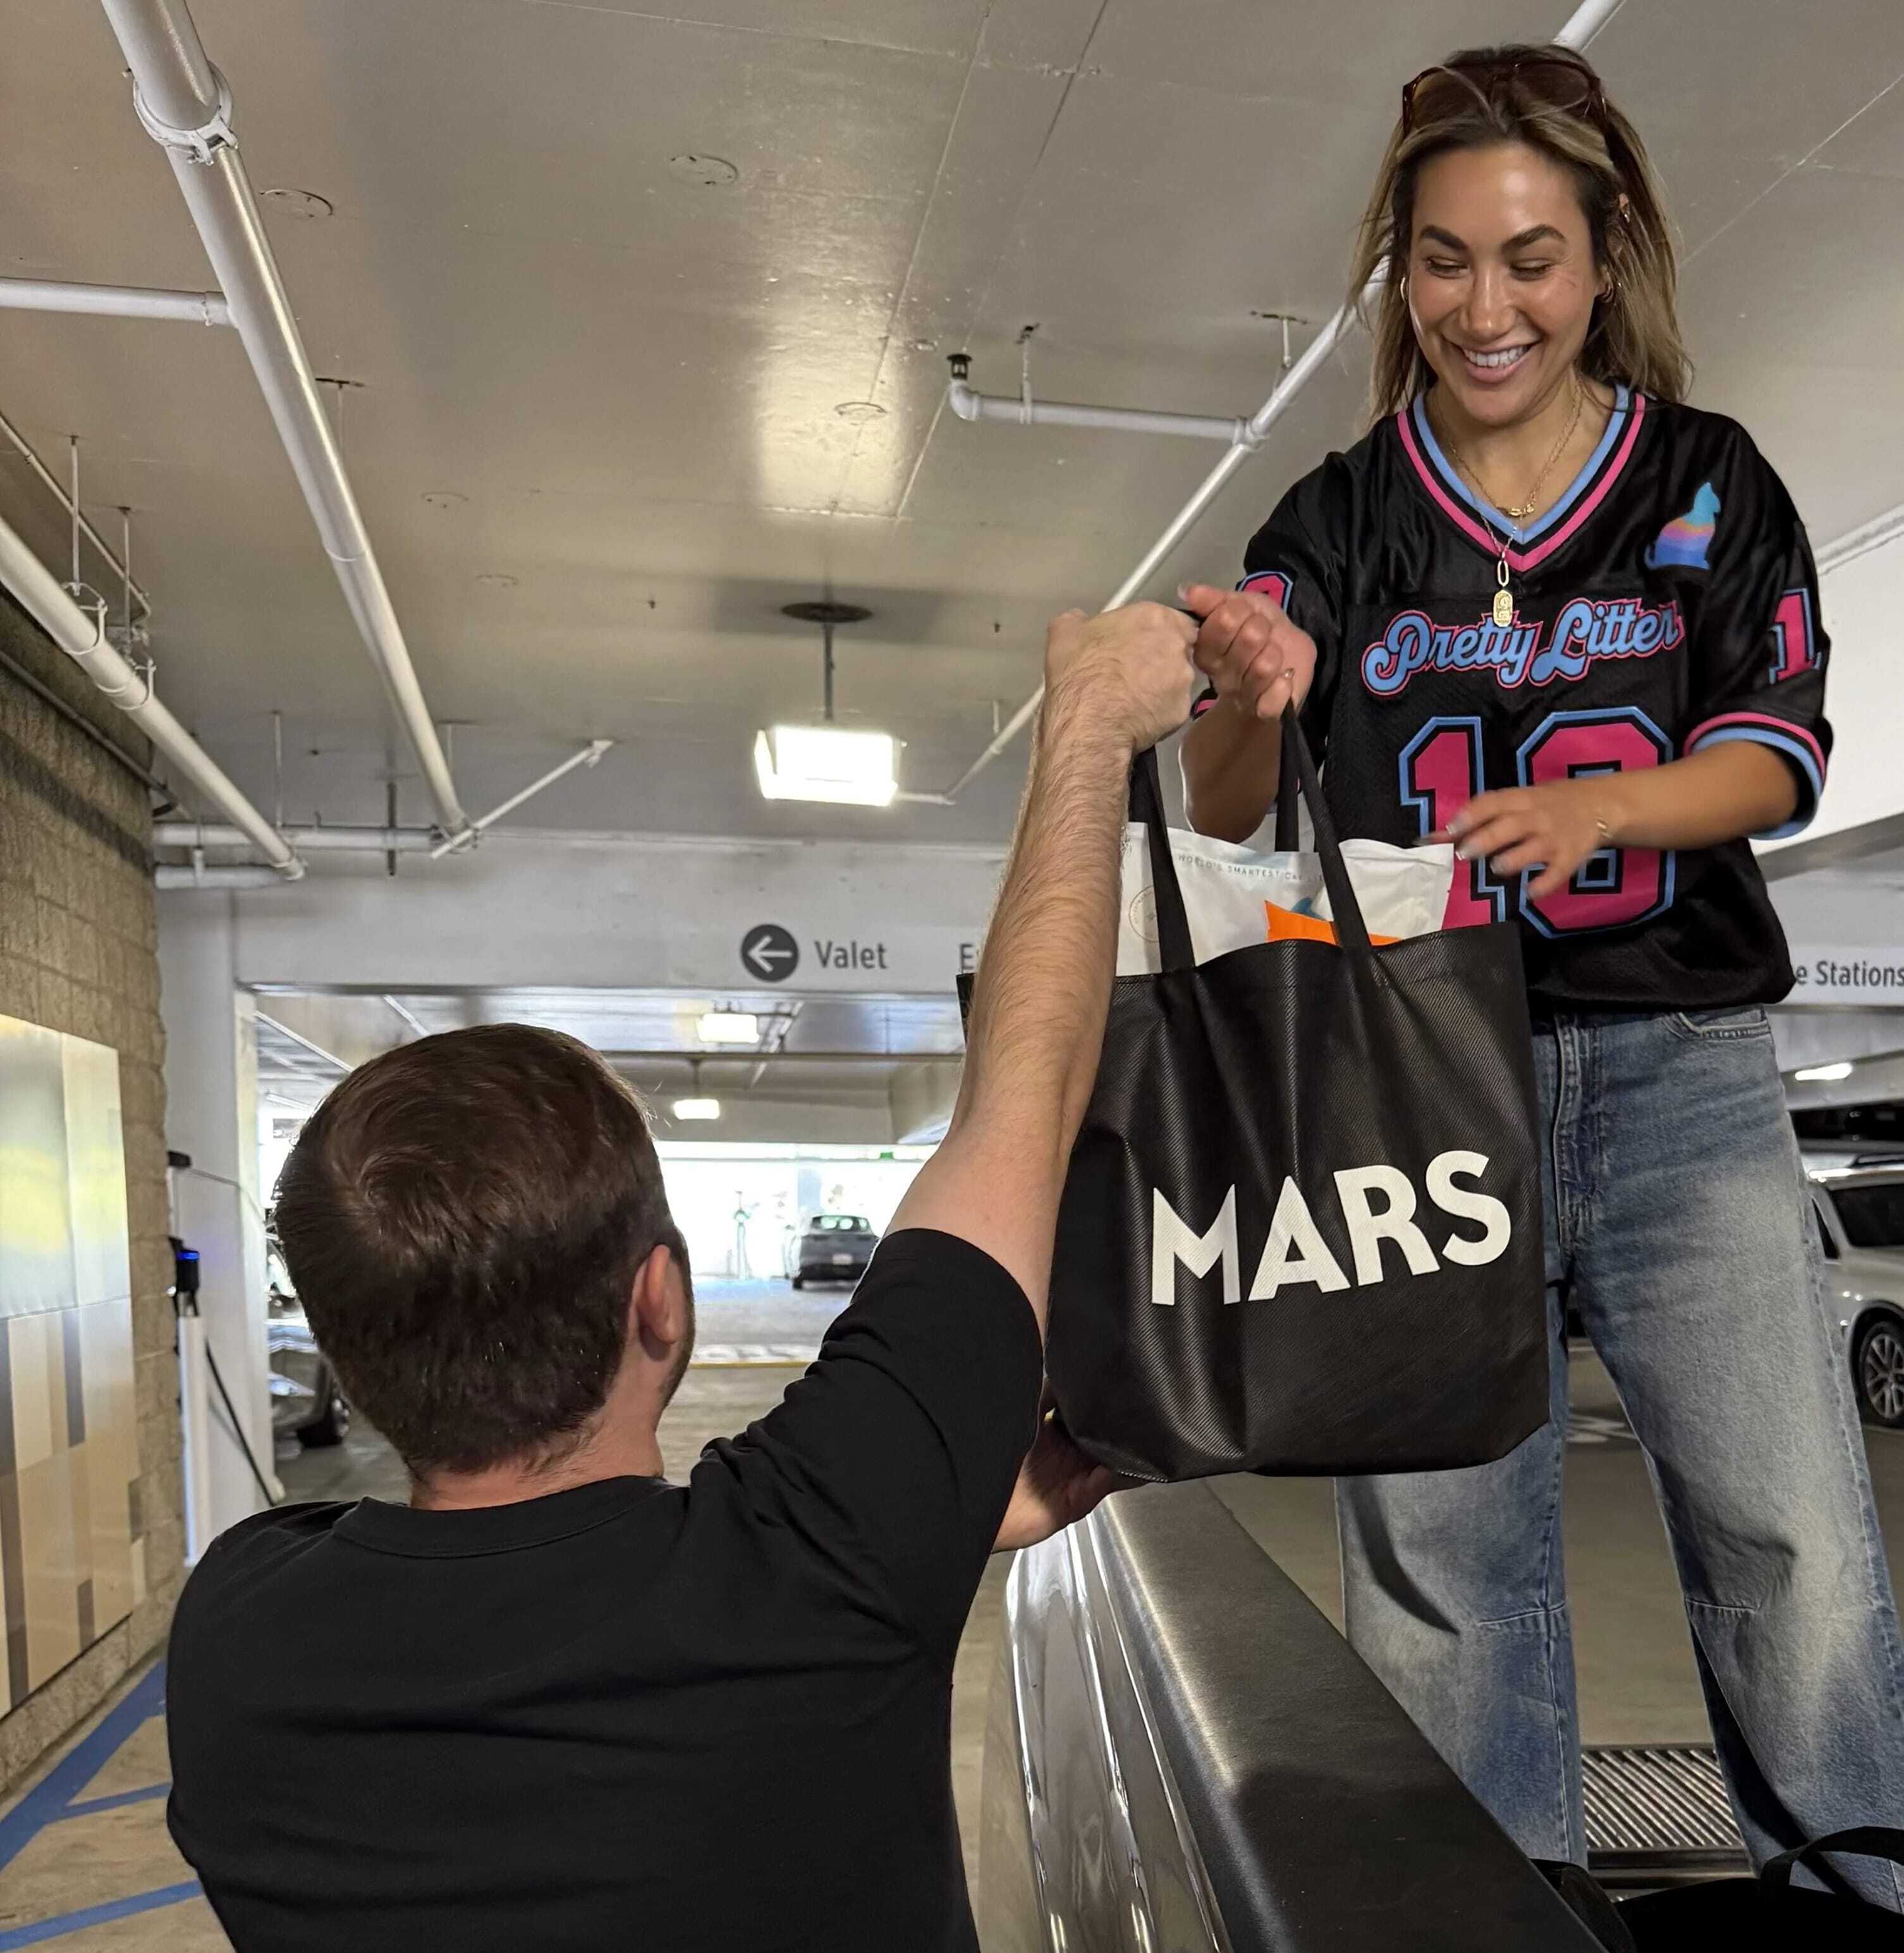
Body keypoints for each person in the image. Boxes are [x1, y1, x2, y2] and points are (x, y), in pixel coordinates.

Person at [163, 600, 1197, 1951]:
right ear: (660, 1299)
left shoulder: (236, 1635)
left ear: (352, 1352)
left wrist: (920, 1512)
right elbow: (1026, 1095)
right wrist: (1091, 719)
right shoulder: (816, 1560)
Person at [1181, 42, 1904, 1907]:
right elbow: (1230, 800)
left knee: (1793, 1542)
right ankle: (1481, 1920)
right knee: (1443, 1566)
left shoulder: (1704, 480)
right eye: (1442, 259)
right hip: (1420, 1087)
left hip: (1681, 1075)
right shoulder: (1339, 513)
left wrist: (1606, 810)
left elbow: (1777, 754)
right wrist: (1248, 692)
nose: (1483, 305)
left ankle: (1851, 1896)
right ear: (1399, 270)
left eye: (1528, 258)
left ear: (1602, 258)